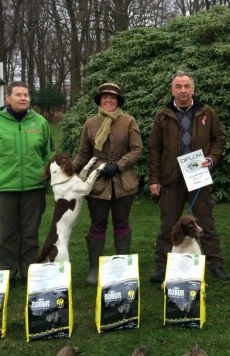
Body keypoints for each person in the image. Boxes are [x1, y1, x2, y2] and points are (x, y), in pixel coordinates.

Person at [148, 71, 229, 283]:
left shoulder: (206, 113)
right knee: (168, 225)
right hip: (171, 179)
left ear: (193, 89)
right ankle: (162, 266)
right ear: (172, 89)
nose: (183, 91)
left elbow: (219, 139)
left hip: (198, 178)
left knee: (206, 223)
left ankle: (215, 264)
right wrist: (154, 179)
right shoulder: (163, 115)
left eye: (186, 86)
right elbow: (154, 149)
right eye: (178, 87)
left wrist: (211, 159)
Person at [0, 81, 54, 286]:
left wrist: (51, 184)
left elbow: (49, 156)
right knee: (7, 234)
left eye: (26, 95)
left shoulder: (40, 123)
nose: (23, 98)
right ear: (7, 98)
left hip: (34, 187)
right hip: (4, 189)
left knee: (30, 232)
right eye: (18, 95)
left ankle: (29, 272)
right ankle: (8, 273)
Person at [72, 82, 142, 285]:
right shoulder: (90, 123)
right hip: (97, 182)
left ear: (118, 100)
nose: (109, 100)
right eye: (105, 97)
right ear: (100, 101)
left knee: (121, 222)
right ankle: (94, 269)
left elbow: (137, 150)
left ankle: (122, 265)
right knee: (97, 223)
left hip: (124, 182)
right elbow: (84, 153)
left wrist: (119, 166)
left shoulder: (128, 121)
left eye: (112, 98)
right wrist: (69, 170)